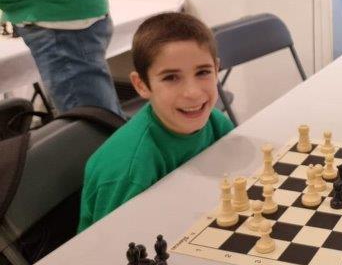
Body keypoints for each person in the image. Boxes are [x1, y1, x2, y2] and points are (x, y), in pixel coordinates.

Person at [78, 13, 234, 231]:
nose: (192, 92)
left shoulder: (215, 122)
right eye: (171, 77)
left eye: (203, 72)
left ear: (216, 70)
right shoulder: (129, 171)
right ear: (141, 85)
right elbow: (114, 244)